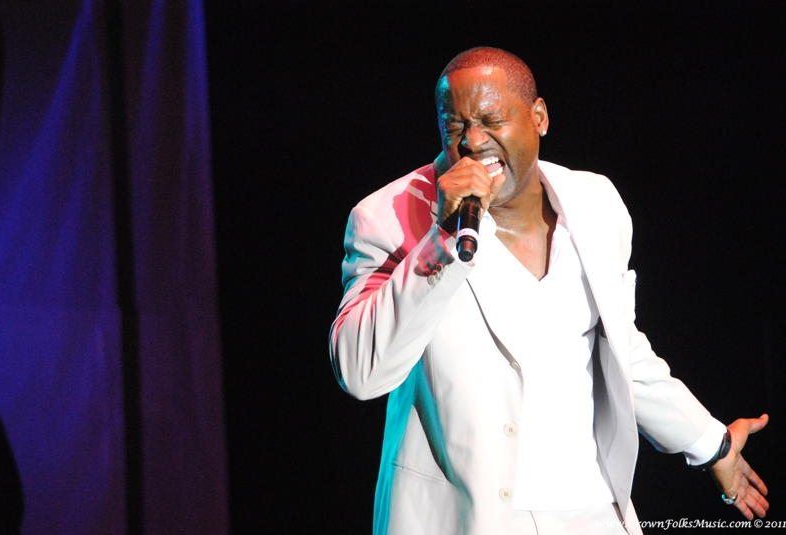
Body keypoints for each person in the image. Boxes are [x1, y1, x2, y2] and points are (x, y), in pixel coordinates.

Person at [328, 46, 769, 534]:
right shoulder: (388, 216)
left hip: (592, 511)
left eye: (491, 120)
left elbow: (623, 351)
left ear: (538, 118)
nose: (472, 142)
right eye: (455, 126)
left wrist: (711, 445)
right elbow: (360, 371)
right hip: (467, 517)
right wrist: (444, 240)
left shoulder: (594, 203)